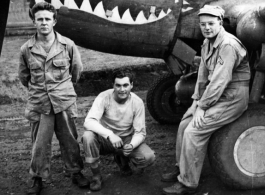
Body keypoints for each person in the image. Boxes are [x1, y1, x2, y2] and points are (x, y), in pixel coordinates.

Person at [161, 5, 250, 195]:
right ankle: (182, 167)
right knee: (185, 122)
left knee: (194, 131)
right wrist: (195, 103)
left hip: (232, 97)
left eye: (211, 23)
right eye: (203, 24)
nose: (207, 27)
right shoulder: (208, 42)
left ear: (220, 22)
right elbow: (202, 76)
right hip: (217, 94)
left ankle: (188, 183)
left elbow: (219, 81)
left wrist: (202, 107)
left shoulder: (228, 45)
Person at [18, 2, 89, 194]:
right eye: (39, 19)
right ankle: (38, 178)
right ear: (34, 22)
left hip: (63, 101)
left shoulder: (68, 45)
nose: (43, 23)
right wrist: (41, 91)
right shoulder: (26, 49)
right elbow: (24, 77)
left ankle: (75, 172)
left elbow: (76, 71)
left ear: (54, 21)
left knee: (70, 140)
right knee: (39, 144)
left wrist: (62, 89)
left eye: (47, 19)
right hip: (40, 104)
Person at [82, 69, 155, 191]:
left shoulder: (137, 102)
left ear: (131, 85)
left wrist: (131, 145)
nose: (122, 89)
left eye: (125, 85)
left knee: (148, 157)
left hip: (126, 139)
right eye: (118, 85)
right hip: (106, 139)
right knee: (88, 136)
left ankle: (121, 157)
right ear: (113, 85)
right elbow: (88, 121)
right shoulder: (104, 97)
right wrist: (110, 134)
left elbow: (140, 132)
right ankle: (96, 176)